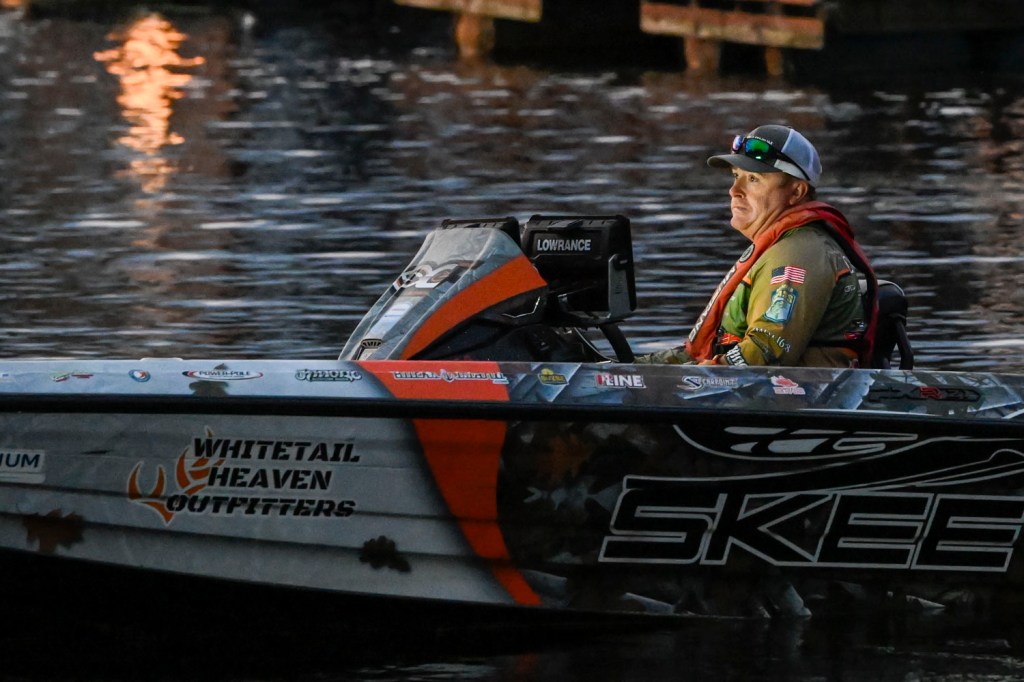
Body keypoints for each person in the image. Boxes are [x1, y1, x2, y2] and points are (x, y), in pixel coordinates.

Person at [638, 124, 878, 367]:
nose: (734, 190)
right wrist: (631, 366)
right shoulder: (783, 246)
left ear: (796, 192)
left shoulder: (797, 254)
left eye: (753, 179)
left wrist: (680, 377)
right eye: (736, 176)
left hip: (789, 390)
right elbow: (705, 356)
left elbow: (765, 355)